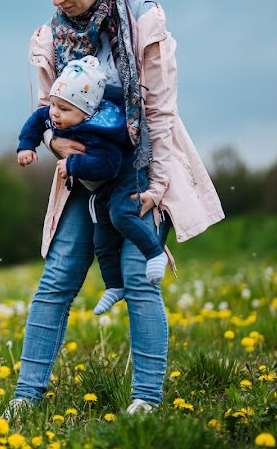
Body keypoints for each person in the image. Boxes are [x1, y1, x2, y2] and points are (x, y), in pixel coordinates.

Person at [9, 0, 224, 416]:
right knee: (58, 278)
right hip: (82, 177)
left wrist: (158, 186)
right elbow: (44, 111)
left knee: (138, 276)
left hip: (139, 171)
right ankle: (26, 397)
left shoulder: (144, 23)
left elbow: (160, 113)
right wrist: (51, 141)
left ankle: (145, 399)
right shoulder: (48, 38)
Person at [17, 55, 169, 315]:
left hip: (126, 177)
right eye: (54, 104)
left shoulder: (102, 131)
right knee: (101, 236)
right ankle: (113, 286)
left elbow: (108, 166)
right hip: (102, 187)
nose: (55, 113)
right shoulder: (57, 113)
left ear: (86, 113)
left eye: (63, 110)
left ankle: (155, 254)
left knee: (120, 215)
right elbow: (37, 119)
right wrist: (27, 146)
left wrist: (73, 165)